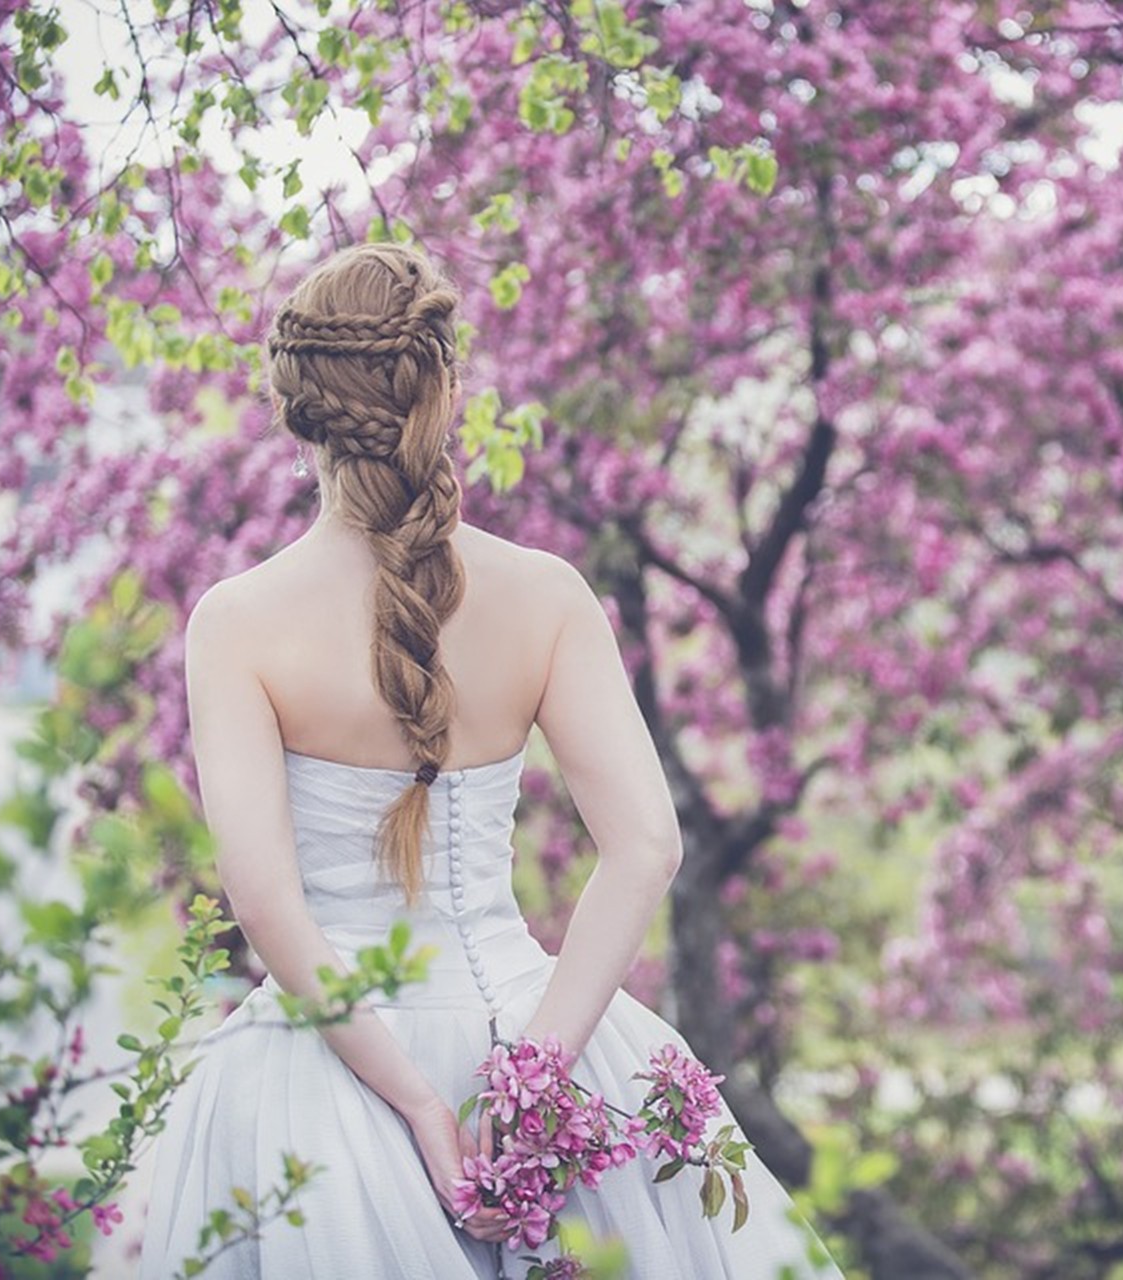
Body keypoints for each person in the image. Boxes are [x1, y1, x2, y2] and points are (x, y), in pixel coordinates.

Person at [137, 242, 842, 1279]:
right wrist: (544, 1071)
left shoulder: (236, 622)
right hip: (539, 1024)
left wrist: (417, 1102)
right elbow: (646, 844)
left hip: (322, 1076)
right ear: (444, 390)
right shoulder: (548, 593)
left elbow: (263, 896)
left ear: (296, 408)